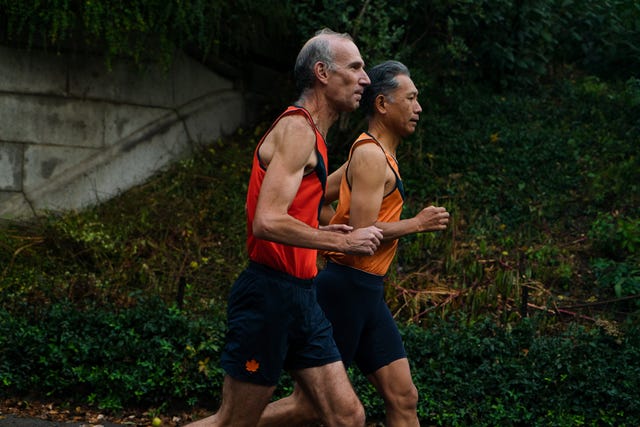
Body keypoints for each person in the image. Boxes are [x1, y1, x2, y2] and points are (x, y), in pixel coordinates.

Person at [183, 29, 383, 427]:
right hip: (269, 294)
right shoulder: (297, 130)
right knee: (233, 422)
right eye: (356, 67)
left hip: (302, 296)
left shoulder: (315, 138)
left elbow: (304, 200)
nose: (365, 79)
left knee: (346, 416)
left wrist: (372, 156)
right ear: (323, 73)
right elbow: (267, 220)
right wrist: (330, 238)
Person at [259, 61, 450, 427]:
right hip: (345, 290)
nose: (418, 107)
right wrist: (416, 224)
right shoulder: (369, 156)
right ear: (382, 104)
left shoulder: (371, 157)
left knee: (404, 398)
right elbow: (364, 235)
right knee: (309, 406)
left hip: (368, 293)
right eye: (410, 99)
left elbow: (313, 198)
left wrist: (335, 226)